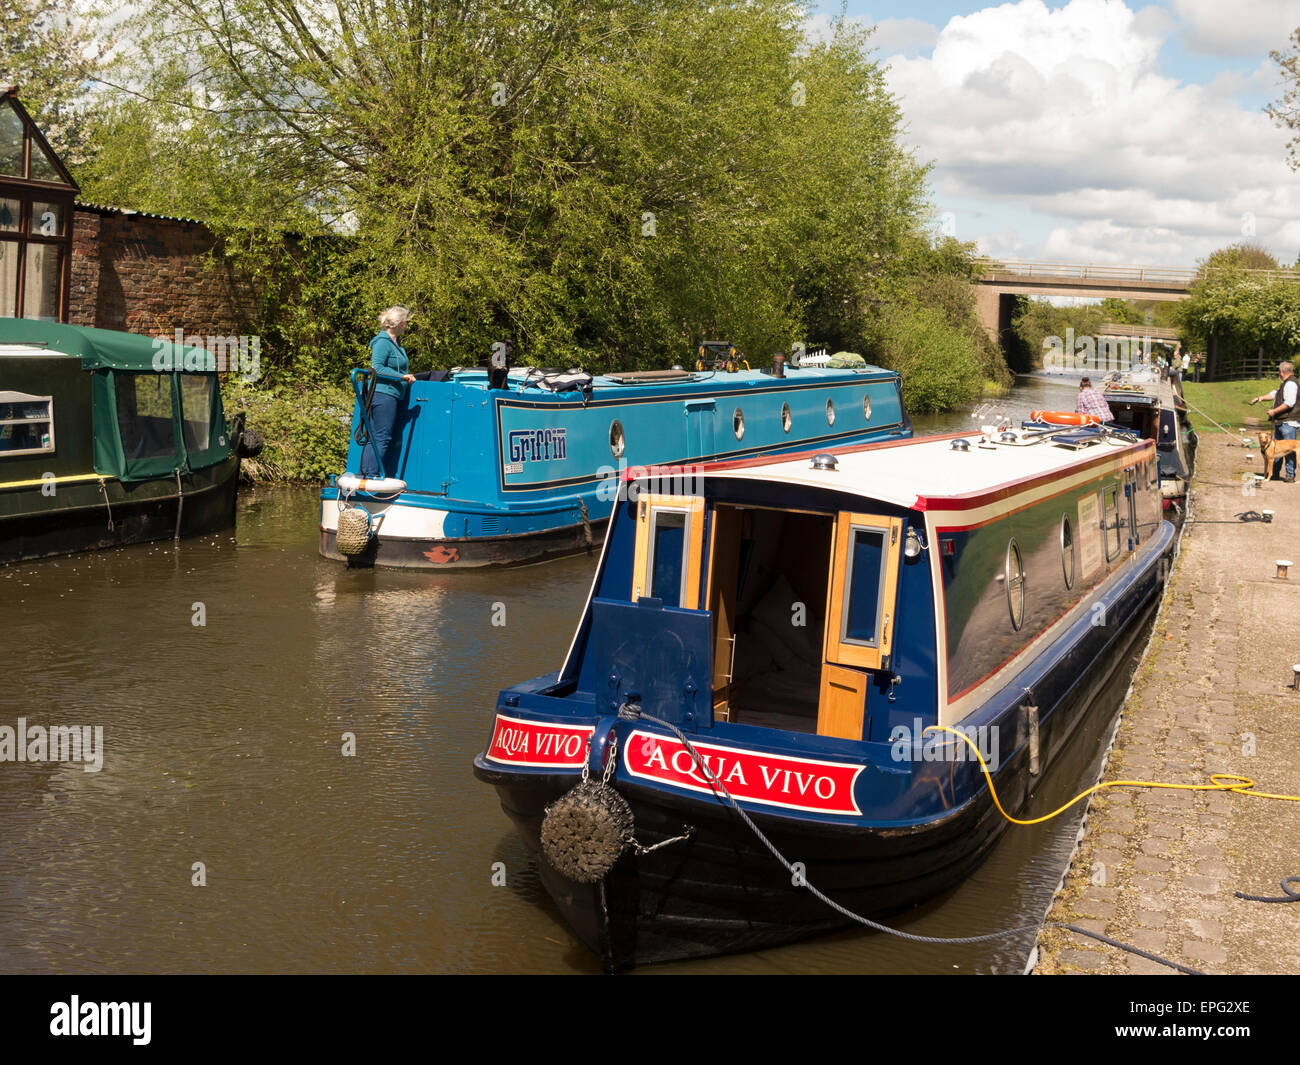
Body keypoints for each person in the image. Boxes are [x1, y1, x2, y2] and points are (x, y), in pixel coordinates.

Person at [361, 305, 415, 478]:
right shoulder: (383, 342)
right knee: (381, 437)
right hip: (383, 394)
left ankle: (371, 472)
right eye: (405, 321)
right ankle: (370, 474)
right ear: (398, 323)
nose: (407, 325)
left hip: (392, 395)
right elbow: (376, 368)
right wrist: (402, 377)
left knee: (381, 436)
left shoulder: (396, 344)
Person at [1251, 361, 1299, 482]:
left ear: (1282, 371)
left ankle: (1289, 475)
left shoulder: (1291, 384)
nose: (1278, 373)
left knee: (1289, 452)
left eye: (1279, 371)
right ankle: (1274, 473)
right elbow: (1274, 394)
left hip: (1288, 422)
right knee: (1274, 450)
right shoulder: (1285, 384)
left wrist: (1274, 411)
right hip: (1281, 421)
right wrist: (1260, 398)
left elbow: (1289, 402)